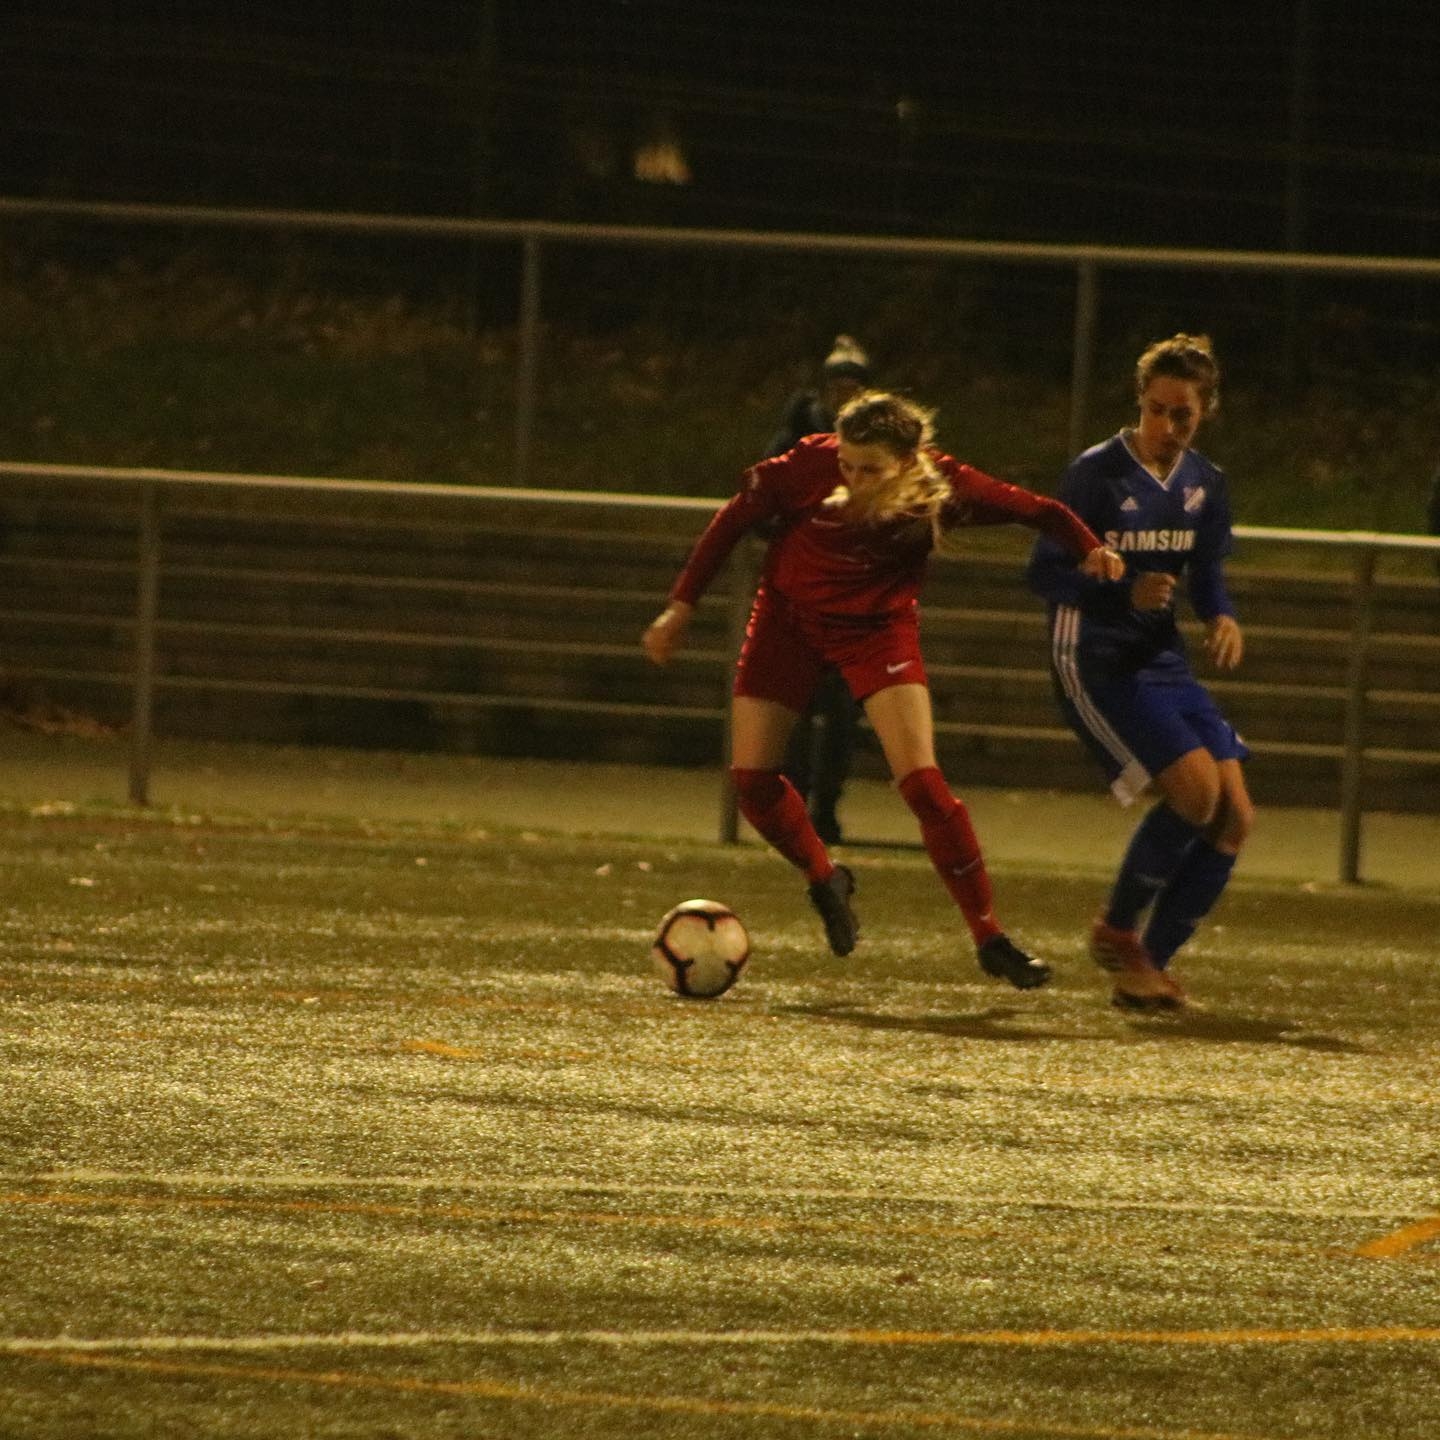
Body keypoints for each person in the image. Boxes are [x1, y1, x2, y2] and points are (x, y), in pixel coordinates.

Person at [643, 390, 1124, 988]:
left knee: (923, 785)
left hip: (876, 631)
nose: (852, 477)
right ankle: (825, 877)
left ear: (907, 460)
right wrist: (680, 606)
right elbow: (733, 520)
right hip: (788, 621)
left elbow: (1041, 511)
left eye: (869, 469)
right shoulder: (807, 464)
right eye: (846, 463)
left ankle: (990, 937)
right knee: (752, 783)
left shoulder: (945, 486)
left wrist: (1091, 547)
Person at [1026, 334, 1252, 1011]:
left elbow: (1204, 573)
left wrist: (1221, 615)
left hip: (1161, 656)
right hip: (1095, 654)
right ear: (1139, 403)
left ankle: (1145, 967)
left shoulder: (1205, 482)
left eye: (1183, 414)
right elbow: (1044, 571)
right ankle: (1117, 927)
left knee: (1234, 817)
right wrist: (1122, 593)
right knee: (1196, 794)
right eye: (1157, 410)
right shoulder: (1096, 474)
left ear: (1206, 411)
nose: (1167, 426)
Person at [764, 335, 875, 845]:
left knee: (842, 711)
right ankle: (792, 802)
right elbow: (763, 494)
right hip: (803, 592)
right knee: (797, 705)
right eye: (837, 388)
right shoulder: (798, 438)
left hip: (853, 598)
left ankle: (825, 805)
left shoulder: (878, 442)